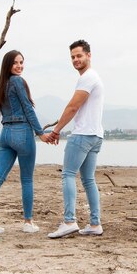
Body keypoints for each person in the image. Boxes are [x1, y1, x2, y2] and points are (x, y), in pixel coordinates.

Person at [0, 50, 50, 234]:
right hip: (22, 132)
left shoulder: (1, 85)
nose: (19, 66)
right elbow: (27, 108)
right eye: (15, 63)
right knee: (26, 179)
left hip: (5, 134)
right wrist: (40, 133)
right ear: (8, 65)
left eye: (21, 62)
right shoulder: (18, 81)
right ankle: (28, 222)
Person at [47, 39, 105, 238]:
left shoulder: (88, 77)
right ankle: (95, 224)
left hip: (83, 135)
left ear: (89, 55)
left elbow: (73, 107)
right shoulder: (92, 77)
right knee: (88, 179)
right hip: (95, 135)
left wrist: (56, 130)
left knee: (68, 175)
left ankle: (69, 221)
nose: (75, 60)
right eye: (72, 57)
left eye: (79, 55)